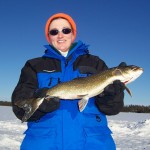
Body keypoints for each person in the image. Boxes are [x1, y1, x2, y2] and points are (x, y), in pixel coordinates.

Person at [11, 13, 125, 150]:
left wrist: (111, 97)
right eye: (54, 32)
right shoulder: (33, 66)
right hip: (44, 144)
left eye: (66, 30)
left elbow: (113, 109)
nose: (60, 35)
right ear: (49, 36)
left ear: (73, 34)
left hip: (93, 144)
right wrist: (40, 107)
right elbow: (20, 108)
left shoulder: (95, 63)